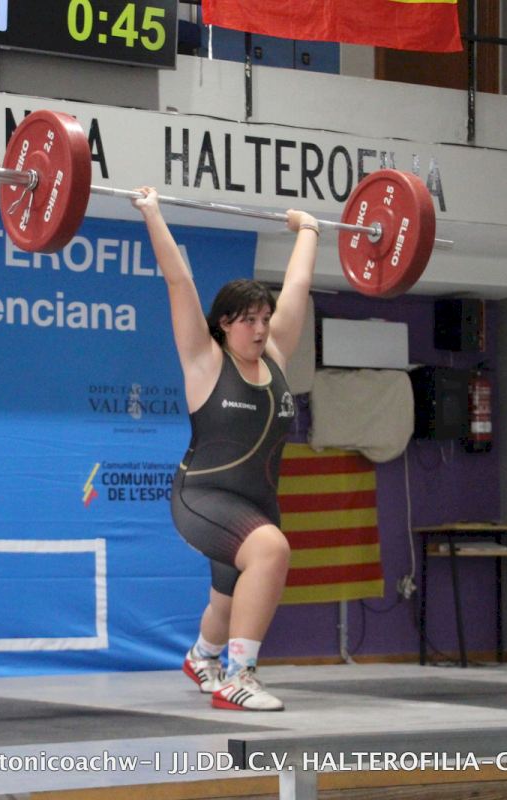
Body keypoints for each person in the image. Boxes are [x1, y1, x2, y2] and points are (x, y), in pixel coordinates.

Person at [132, 187, 318, 712]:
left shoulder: (275, 353)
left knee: (229, 596)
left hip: (257, 501)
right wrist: (152, 212)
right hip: (202, 497)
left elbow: (297, 286)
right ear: (223, 324)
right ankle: (239, 676)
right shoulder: (204, 360)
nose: (260, 329)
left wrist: (309, 229)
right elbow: (179, 281)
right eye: (248, 321)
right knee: (271, 550)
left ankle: (203, 656)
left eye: (264, 319)